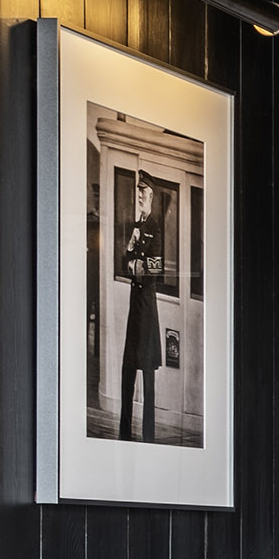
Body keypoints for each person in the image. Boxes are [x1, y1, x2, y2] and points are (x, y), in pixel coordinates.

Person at [116, 179, 168, 442]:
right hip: (134, 309)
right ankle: (124, 433)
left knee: (147, 375)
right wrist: (133, 256)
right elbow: (125, 261)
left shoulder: (156, 228)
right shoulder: (137, 227)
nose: (139, 197)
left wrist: (136, 264)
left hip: (147, 311)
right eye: (137, 193)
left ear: (152, 197)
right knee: (127, 370)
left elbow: (154, 272)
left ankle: (148, 436)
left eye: (143, 194)